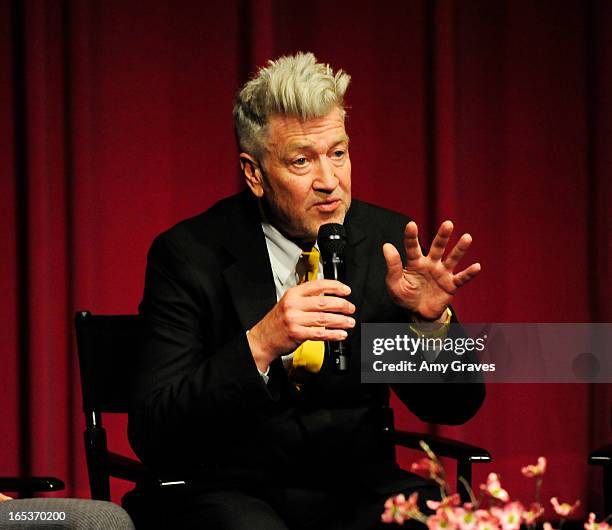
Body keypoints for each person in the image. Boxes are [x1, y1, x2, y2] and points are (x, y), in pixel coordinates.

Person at [127, 52, 485, 529]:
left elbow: (456, 407)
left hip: (359, 487)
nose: (330, 182)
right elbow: (154, 430)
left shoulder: (390, 246)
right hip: (232, 489)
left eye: (338, 153)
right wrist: (261, 342)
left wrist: (428, 325)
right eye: (302, 161)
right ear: (254, 173)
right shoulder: (190, 255)